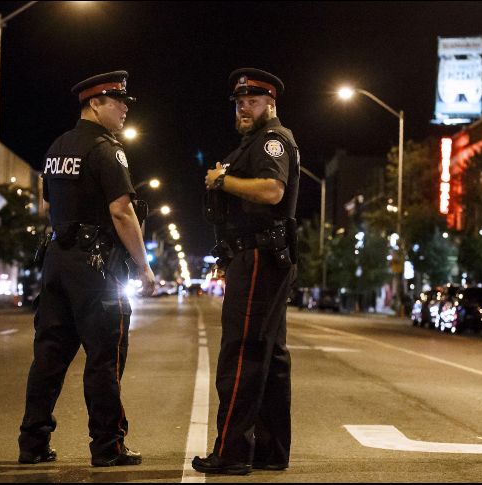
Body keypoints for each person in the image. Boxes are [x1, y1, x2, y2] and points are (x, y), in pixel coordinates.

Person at [18, 71, 156, 467]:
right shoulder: (106, 149)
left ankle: (33, 443)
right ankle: (108, 446)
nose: (125, 108)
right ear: (95, 104)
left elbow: (46, 206)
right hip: (96, 267)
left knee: (49, 356)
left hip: (57, 261)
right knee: (104, 359)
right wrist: (144, 267)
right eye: (118, 102)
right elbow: (121, 211)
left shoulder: (58, 146)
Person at [193, 68, 300, 475]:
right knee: (270, 356)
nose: (244, 108)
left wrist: (223, 181)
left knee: (242, 353)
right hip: (259, 256)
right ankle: (271, 450)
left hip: (259, 257)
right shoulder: (253, 143)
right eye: (239, 102)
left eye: (252, 101)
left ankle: (232, 451)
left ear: (270, 104)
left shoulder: (273, 140)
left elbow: (272, 191)